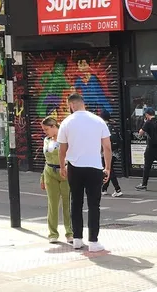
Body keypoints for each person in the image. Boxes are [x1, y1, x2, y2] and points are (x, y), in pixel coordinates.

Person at [57, 93, 111, 253]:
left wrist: (62, 166)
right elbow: (107, 147)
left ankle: (77, 239)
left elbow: (62, 149)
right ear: (82, 103)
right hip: (94, 167)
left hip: (74, 167)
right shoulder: (98, 120)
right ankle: (93, 241)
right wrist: (107, 167)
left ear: (72, 105)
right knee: (94, 205)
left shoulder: (66, 122)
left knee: (76, 202)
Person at [39, 116, 72, 244]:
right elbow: (46, 159)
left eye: (46, 129)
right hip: (49, 172)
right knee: (52, 204)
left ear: (54, 127)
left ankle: (70, 232)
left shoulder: (65, 139)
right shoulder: (46, 140)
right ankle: (53, 233)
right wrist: (42, 177)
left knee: (66, 204)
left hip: (65, 172)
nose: (45, 132)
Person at [99, 110, 123, 198]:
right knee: (109, 168)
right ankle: (104, 189)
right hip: (115, 153)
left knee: (109, 170)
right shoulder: (113, 127)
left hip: (105, 153)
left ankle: (118, 189)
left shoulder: (102, 127)